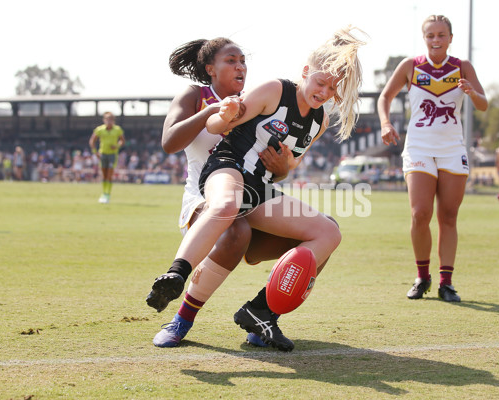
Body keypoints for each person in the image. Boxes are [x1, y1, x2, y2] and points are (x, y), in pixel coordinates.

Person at [148, 27, 365, 351]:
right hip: (227, 169)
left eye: (334, 88)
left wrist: (284, 169)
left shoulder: (319, 122)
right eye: (321, 81)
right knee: (226, 207)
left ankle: (261, 311)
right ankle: (177, 277)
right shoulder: (274, 89)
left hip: (258, 189)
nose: (325, 91)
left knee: (329, 232)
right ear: (305, 72)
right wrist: (223, 116)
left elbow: (288, 165)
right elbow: (217, 127)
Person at [377, 15, 487, 302]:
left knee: (448, 216)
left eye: (441, 35)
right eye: (430, 35)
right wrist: (385, 123)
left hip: (453, 150)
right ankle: (422, 276)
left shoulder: (462, 67)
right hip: (419, 148)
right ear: (424, 38)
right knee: (419, 213)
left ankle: (446, 282)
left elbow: (483, 104)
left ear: (451, 37)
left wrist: (471, 91)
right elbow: (384, 97)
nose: (436, 40)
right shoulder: (410, 66)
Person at [89, 112, 125, 203]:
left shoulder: (117, 130)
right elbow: (92, 141)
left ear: (113, 121)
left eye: (111, 120)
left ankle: (107, 194)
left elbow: (122, 141)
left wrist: (117, 146)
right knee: (104, 175)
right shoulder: (99, 129)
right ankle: (104, 193)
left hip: (112, 155)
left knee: (109, 175)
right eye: (107, 119)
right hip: (103, 154)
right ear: (104, 120)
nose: (109, 121)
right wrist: (95, 152)